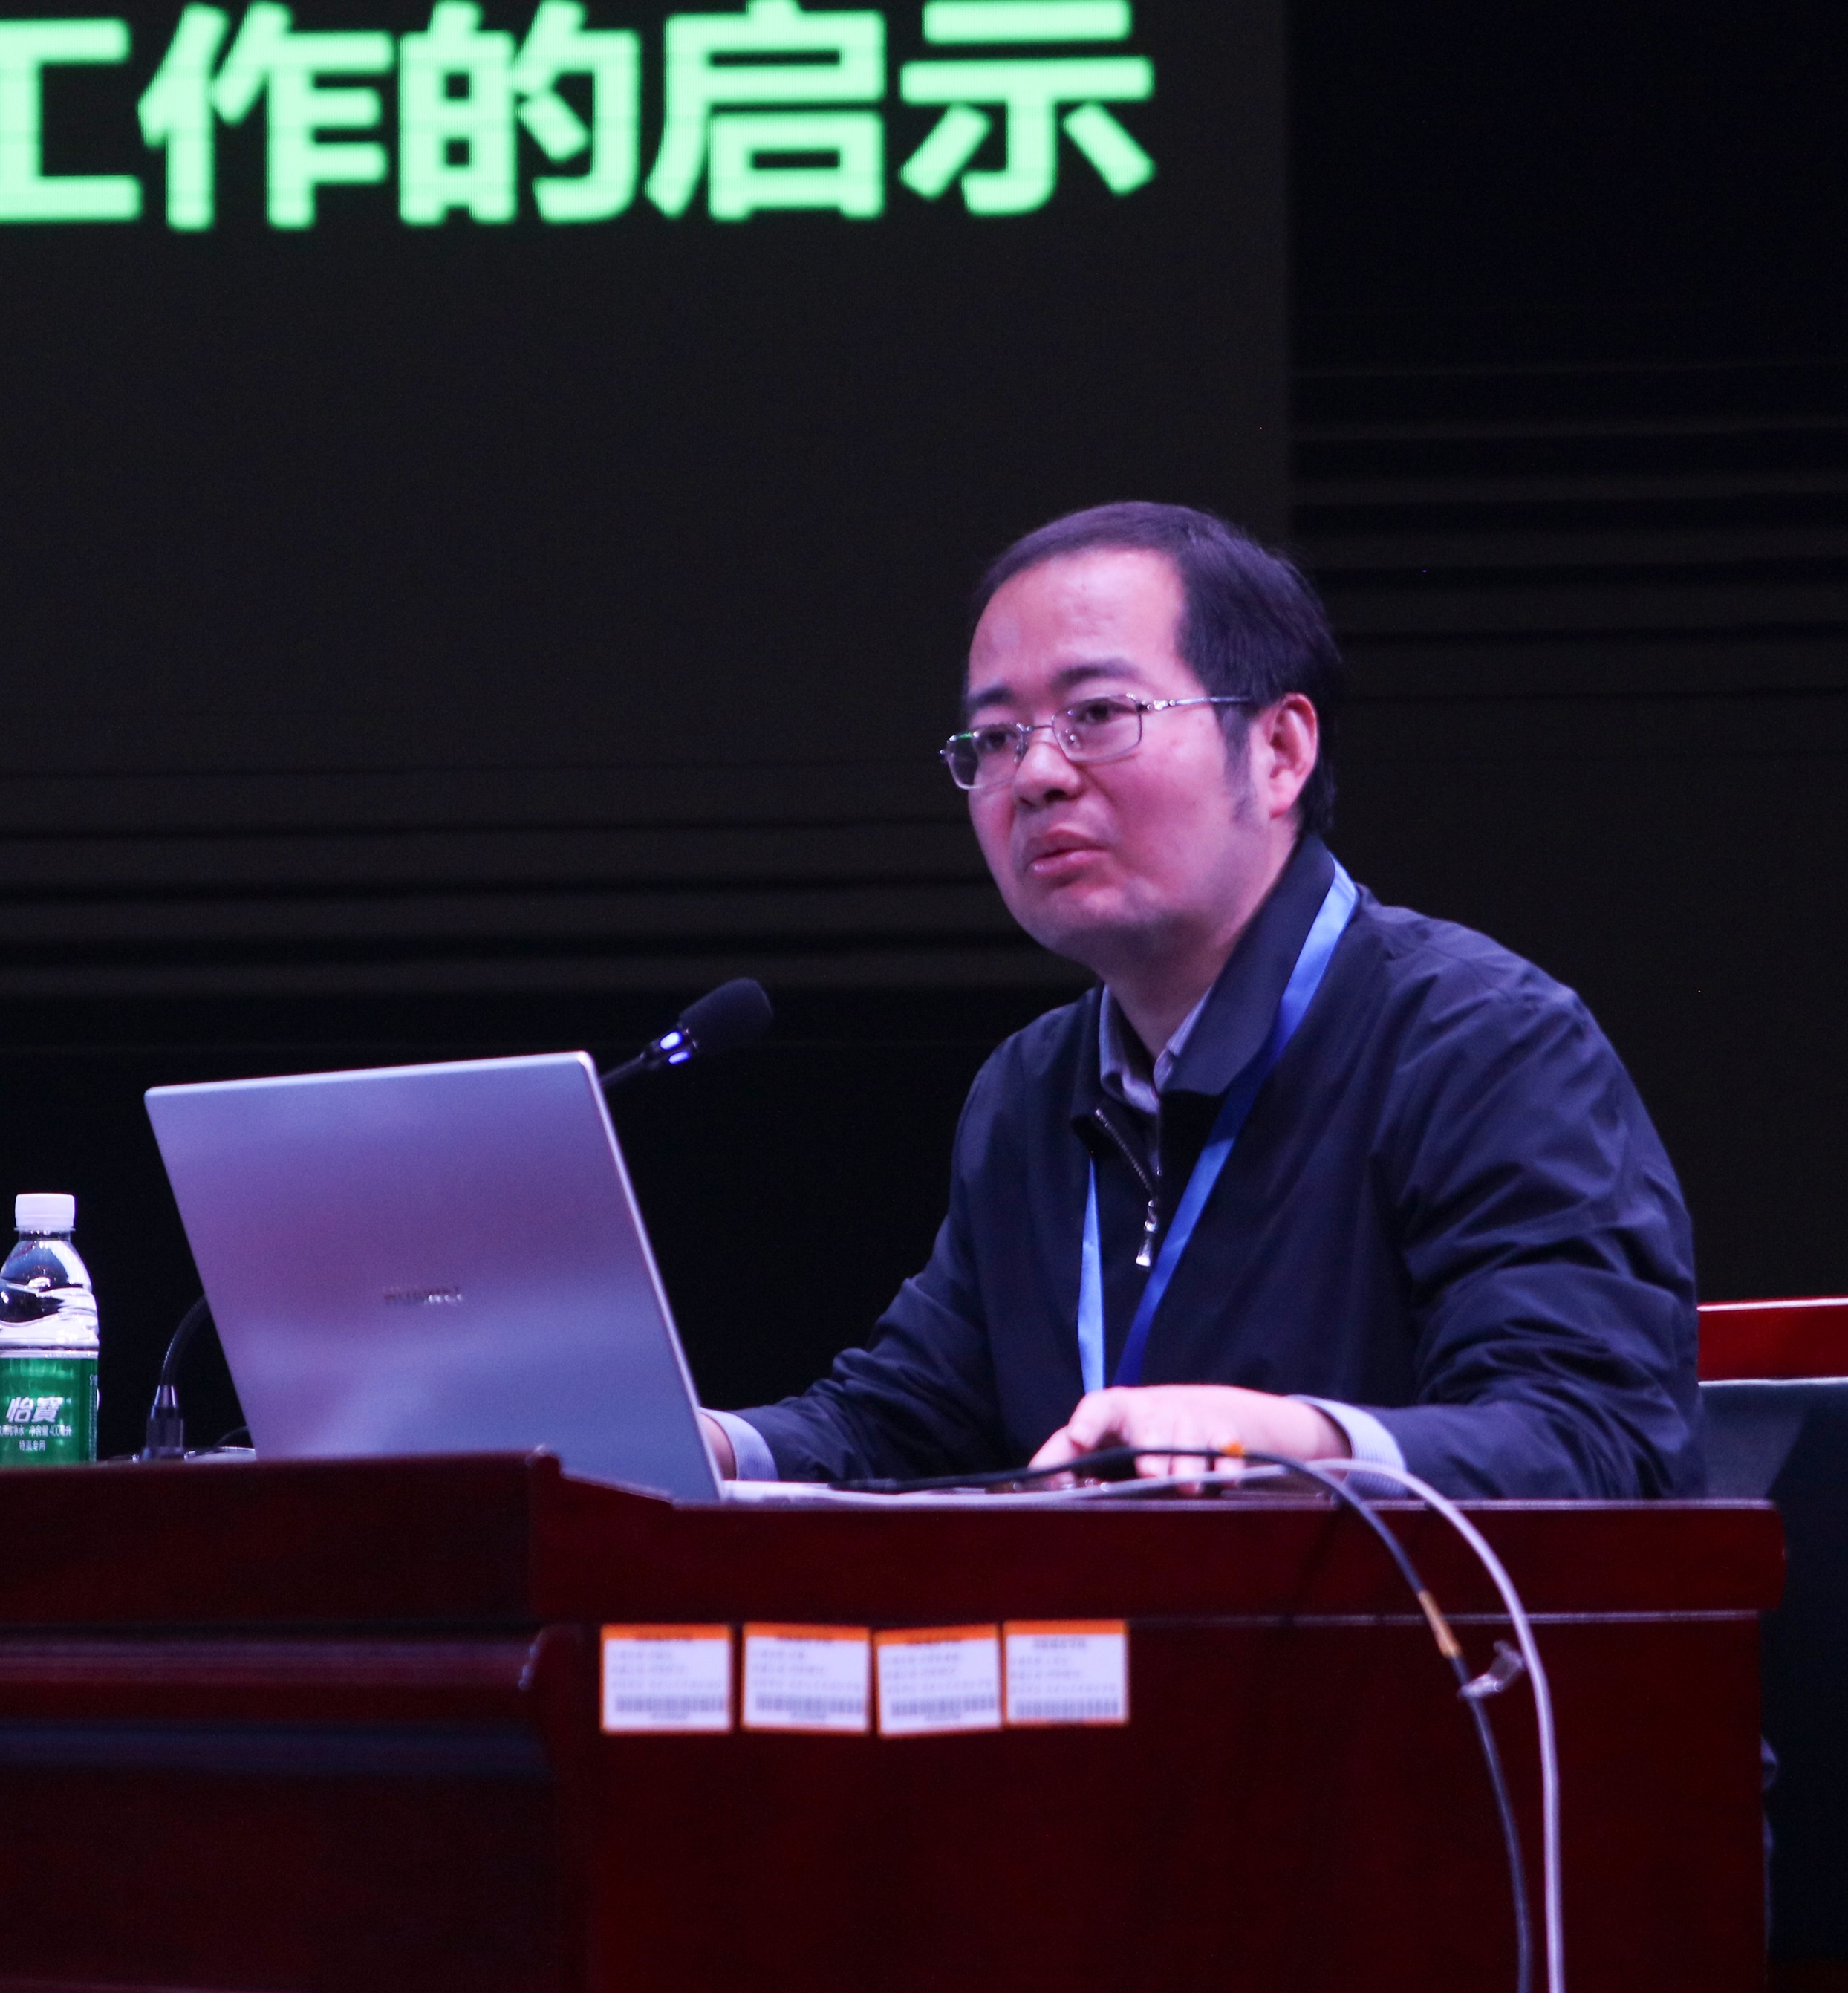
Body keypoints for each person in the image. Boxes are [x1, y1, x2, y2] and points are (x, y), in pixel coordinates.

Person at [699, 501, 1703, 1494]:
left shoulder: (1481, 1043)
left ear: (1280, 751)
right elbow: (907, 1424)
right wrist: (709, 1447)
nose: (1036, 774)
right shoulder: (1031, 1090)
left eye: (1098, 715)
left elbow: (1602, 1443)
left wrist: (1295, 1443)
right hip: (1114, 1608)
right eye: (996, 738)